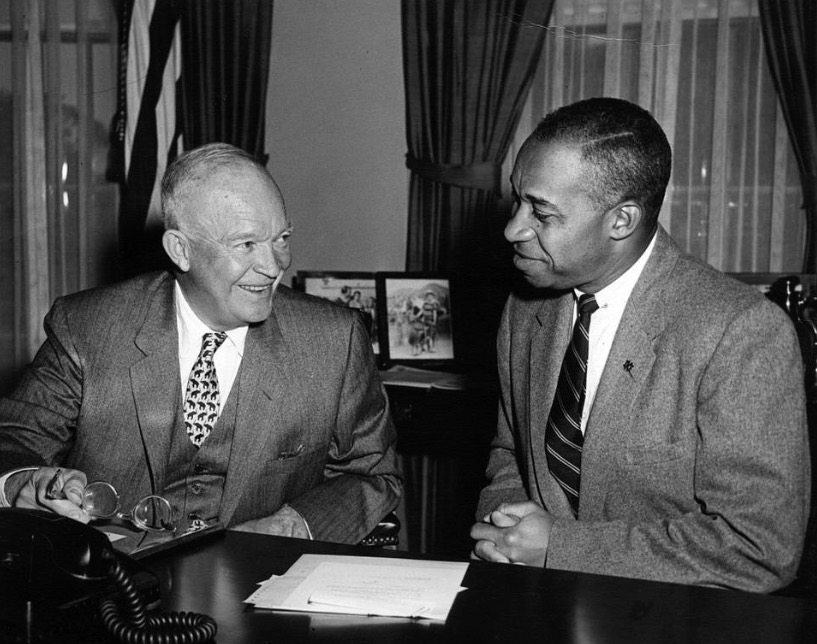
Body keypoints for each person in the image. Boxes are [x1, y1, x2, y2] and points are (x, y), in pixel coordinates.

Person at [470, 97, 810, 593]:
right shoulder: (526, 306)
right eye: (518, 200)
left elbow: (760, 548)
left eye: (541, 212)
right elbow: (510, 454)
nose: (513, 228)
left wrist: (560, 547)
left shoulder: (740, 331)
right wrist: (504, 534)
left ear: (622, 221)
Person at [0, 142, 401, 546]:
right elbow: (13, 442)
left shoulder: (334, 339)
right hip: (114, 590)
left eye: (281, 237)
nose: (274, 264)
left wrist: (291, 526)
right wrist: (25, 483)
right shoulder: (88, 327)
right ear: (181, 249)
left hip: (259, 586)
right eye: (246, 244)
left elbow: (374, 474)